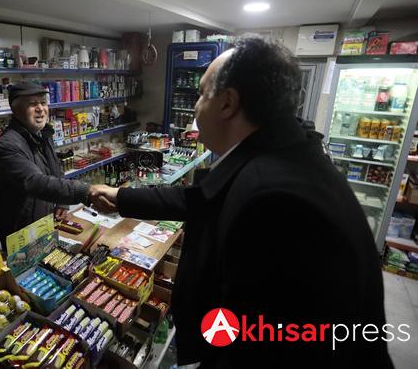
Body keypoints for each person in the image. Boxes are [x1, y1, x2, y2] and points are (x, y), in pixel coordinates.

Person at [92, 37, 393, 368]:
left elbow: (262, 348)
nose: (195, 107)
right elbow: (202, 199)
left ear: (228, 104)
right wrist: (122, 196)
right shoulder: (282, 153)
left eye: (202, 94)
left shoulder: (276, 199)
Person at [0, 82, 105, 249]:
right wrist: (85, 191)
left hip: (42, 222)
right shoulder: (8, 145)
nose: (40, 109)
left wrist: (62, 202)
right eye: (32, 104)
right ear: (15, 110)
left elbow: (55, 170)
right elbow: (35, 182)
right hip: (20, 229)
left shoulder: (43, 134)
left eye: (43, 103)